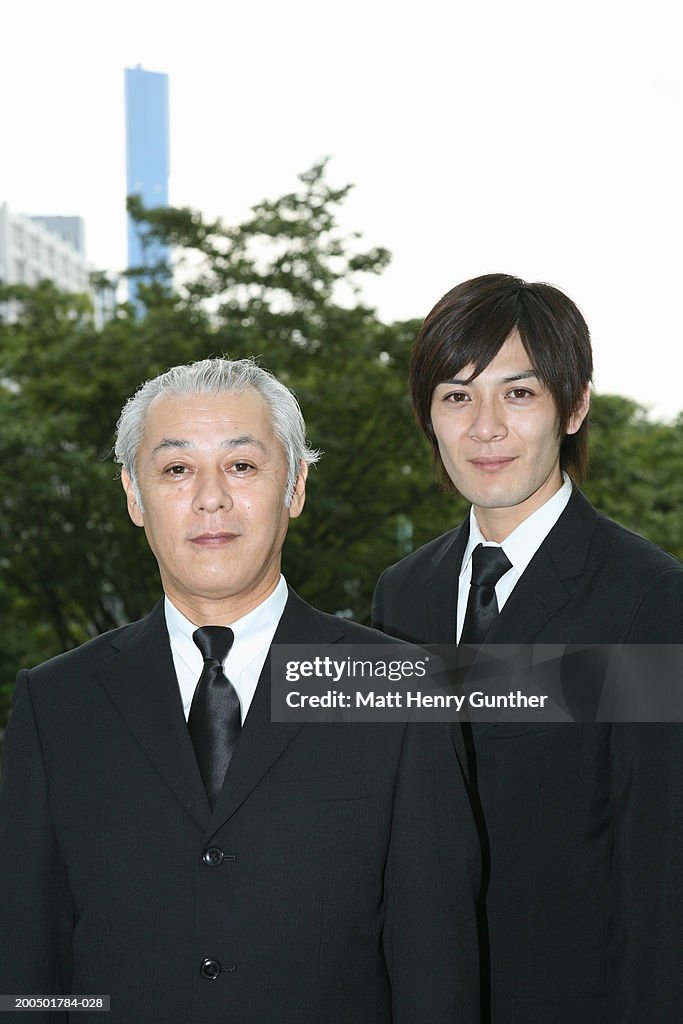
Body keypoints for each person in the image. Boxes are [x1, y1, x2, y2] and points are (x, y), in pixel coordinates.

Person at [0, 357, 479, 1024]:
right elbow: (29, 965)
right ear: (134, 496)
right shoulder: (56, 705)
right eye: (175, 469)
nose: (210, 498)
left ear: (296, 485)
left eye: (242, 465)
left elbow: (437, 973)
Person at [372, 274, 683, 1024]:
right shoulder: (400, 596)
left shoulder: (646, 597)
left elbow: (661, 876)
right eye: (455, 396)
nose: (485, 428)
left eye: (518, 394)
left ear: (572, 406)